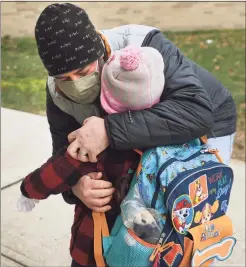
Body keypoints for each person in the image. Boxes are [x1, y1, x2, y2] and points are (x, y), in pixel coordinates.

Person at [35, 2, 236, 265]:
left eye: (83, 72)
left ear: (101, 52)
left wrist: (108, 129)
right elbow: (61, 155)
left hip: (207, 118)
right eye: (64, 77)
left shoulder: (145, 44)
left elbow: (196, 112)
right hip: (141, 124)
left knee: (183, 211)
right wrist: (76, 186)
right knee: (134, 210)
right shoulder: (57, 94)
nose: (75, 84)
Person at [18, 45, 165, 267]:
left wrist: (28, 191)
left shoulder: (95, 142)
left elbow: (55, 171)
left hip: (94, 246)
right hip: (150, 250)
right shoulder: (171, 145)